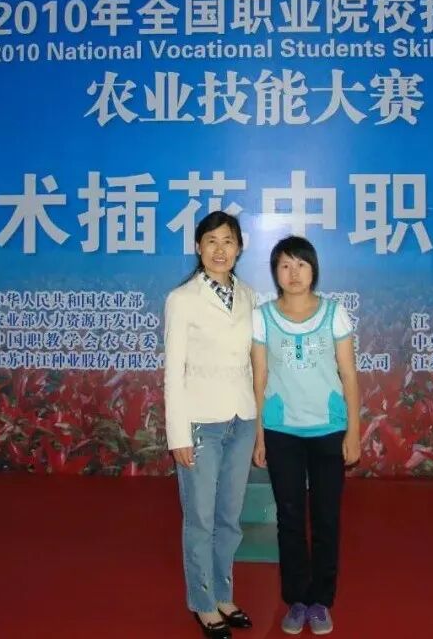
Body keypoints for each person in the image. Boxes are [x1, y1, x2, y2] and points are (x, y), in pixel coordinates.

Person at [251, 235, 361, 636]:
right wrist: (260, 436)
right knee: (290, 517)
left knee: (327, 517)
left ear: (313, 269)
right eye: (284, 265)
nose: (293, 273)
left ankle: (321, 601)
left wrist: (354, 432)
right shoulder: (262, 317)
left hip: (329, 430)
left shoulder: (334, 313)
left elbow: (349, 374)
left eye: (300, 264)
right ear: (275, 273)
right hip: (282, 431)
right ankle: (296, 599)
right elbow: (259, 377)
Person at [164, 212, 257, 639]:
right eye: (212, 241)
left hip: (241, 420)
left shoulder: (249, 295)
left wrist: (258, 424)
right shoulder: (182, 299)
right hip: (201, 423)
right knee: (200, 519)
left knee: (229, 517)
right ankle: (202, 603)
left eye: (228, 241)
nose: (220, 249)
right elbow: (173, 372)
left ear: (239, 248)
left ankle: (224, 594)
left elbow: (254, 363)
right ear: (198, 247)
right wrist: (178, 435)